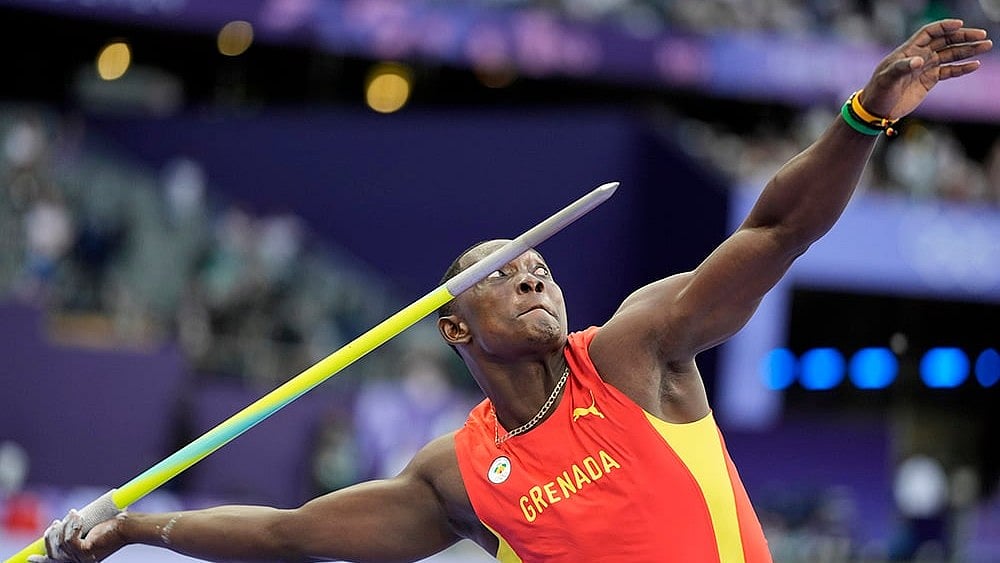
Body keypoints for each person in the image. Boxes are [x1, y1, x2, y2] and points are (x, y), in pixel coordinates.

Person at [28, 18, 992, 563]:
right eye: (504, 273)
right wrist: (132, 529)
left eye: (539, 265)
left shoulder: (636, 352)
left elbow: (777, 231)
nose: (534, 271)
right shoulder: (457, 475)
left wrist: (864, 118)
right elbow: (290, 532)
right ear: (454, 328)